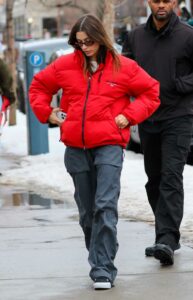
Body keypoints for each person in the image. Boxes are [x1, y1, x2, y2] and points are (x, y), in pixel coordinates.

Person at [29, 14, 160, 289]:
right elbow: (38, 86)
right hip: (76, 147)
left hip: (110, 144)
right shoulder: (65, 65)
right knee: (88, 213)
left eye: (89, 42)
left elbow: (151, 92)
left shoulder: (123, 67)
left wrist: (129, 115)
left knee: (104, 205)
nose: (84, 47)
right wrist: (49, 113)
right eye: (79, 43)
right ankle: (102, 250)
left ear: (101, 39)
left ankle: (102, 268)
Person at [122, 0, 193, 266]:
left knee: (171, 177)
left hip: (179, 116)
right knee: (154, 179)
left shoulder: (188, 35)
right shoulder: (136, 36)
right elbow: (124, 72)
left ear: (175, 2)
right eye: (156, 0)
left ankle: (166, 238)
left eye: (167, 0)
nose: (161, 5)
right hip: (148, 118)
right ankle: (166, 237)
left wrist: (178, 84)